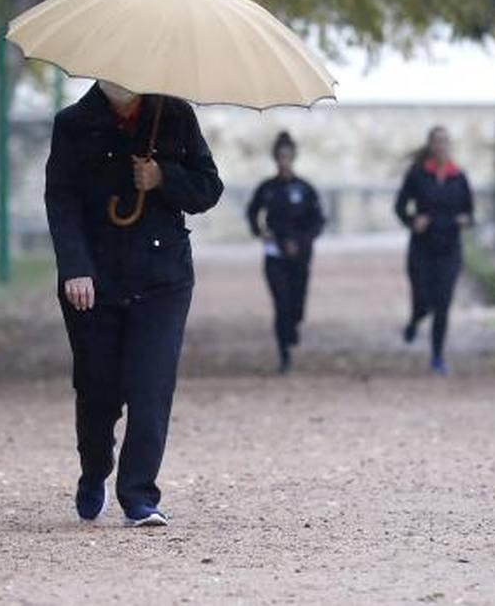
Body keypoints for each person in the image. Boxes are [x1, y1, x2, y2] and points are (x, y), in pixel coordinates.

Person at [45, 80, 223, 527]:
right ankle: (94, 471)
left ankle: (139, 494)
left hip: (163, 278)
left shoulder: (176, 115)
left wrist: (165, 177)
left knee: (151, 387)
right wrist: (74, 267)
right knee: (98, 389)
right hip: (95, 278)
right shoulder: (72, 124)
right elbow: (61, 200)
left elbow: (208, 189)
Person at [393, 126, 474, 375]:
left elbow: (471, 213)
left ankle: (437, 355)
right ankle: (415, 320)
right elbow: (399, 207)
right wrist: (412, 221)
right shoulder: (418, 175)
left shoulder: (459, 177)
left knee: (443, 302)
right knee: (423, 298)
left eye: (445, 142)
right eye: (437, 142)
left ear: (449, 146)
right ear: (430, 145)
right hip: (422, 248)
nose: (441, 146)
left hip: (449, 248)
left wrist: (465, 220)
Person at [246, 131, 325, 375]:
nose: (284, 161)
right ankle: (284, 356)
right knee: (281, 304)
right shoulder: (267, 188)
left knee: (297, 305)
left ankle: (293, 326)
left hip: (300, 254)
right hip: (274, 255)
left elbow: (318, 221)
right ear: (275, 158)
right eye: (280, 156)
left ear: (293, 157)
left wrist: (301, 242)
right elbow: (252, 212)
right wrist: (260, 232)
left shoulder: (305, 189)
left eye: (288, 156)